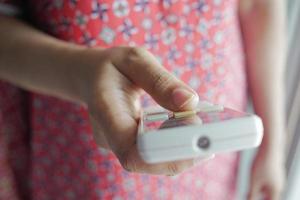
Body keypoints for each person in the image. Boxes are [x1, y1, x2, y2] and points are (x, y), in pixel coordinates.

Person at [0, 0, 286, 199]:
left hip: (216, 138)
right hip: (84, 143)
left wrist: (273, 144)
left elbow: (258, 4)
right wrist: (82, 73)